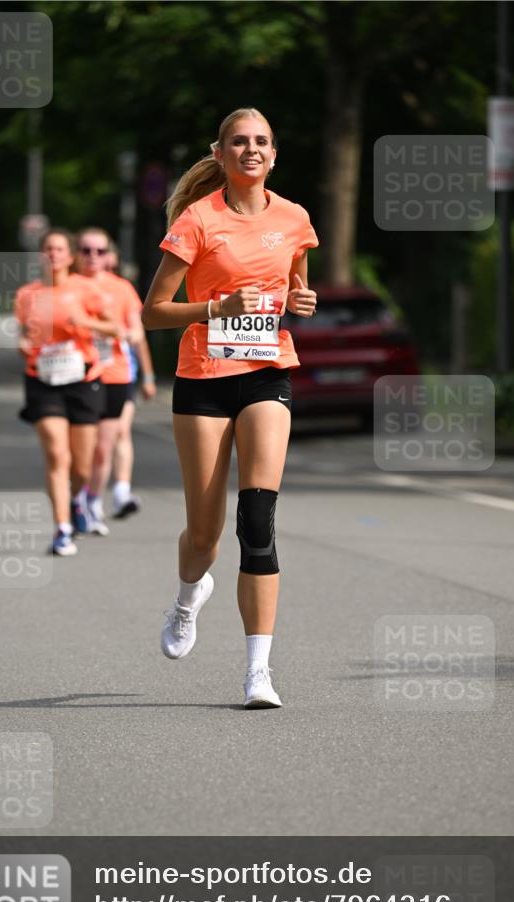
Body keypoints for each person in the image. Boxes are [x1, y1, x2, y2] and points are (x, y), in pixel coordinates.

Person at [142, 108, 318, 709]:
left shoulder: (294, 218)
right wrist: (216, 309)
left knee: (258, 521)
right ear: (219, 154)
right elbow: (153, 311)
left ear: (274, 155)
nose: (251, 149)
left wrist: (302, 300)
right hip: (204, 380)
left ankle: (257, 672)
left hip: (268, 372)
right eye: (239, 141)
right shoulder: (198, 219)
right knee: (205, 531)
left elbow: (295, 290)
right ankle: (189, 597)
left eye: (262, 141)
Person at [14, 228, 118, 556]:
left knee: (82, 465)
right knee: (57, 455)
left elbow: (117, 328)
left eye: (59, 249)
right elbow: (22, 335)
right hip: (43, 381)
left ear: (70, 256)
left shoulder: (85, 289)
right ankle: (61, 528)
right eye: (48, 249)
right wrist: (23, 345)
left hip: (83, 381)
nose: (53, 254)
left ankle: (77, 500)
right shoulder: (28, 295)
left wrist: (86, 323)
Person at [75, 227, 157, 535]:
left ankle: (95, 500)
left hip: (116, 374)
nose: (93, 257)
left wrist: (147, 374)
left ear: (108, 254)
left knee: (105, 445)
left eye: (99, 251)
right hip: (77, 376)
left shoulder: (121, 288)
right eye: (86, 251)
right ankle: (77, 498)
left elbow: (136, 333)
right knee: (80, 448)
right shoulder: (66, 286)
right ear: (76, 254)